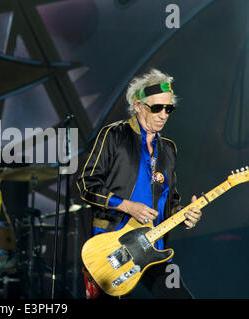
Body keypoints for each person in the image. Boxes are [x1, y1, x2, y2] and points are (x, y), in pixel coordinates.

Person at [77, 68, 202, 299]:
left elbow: (170, 200)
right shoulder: (114, 135)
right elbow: (86, 184)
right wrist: (126, 205)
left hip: (154, 249)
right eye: (156, 108)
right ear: (138, 106)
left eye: (168, 108)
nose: (163, 114)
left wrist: (184, 215)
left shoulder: (169, 149)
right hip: (114, 247)